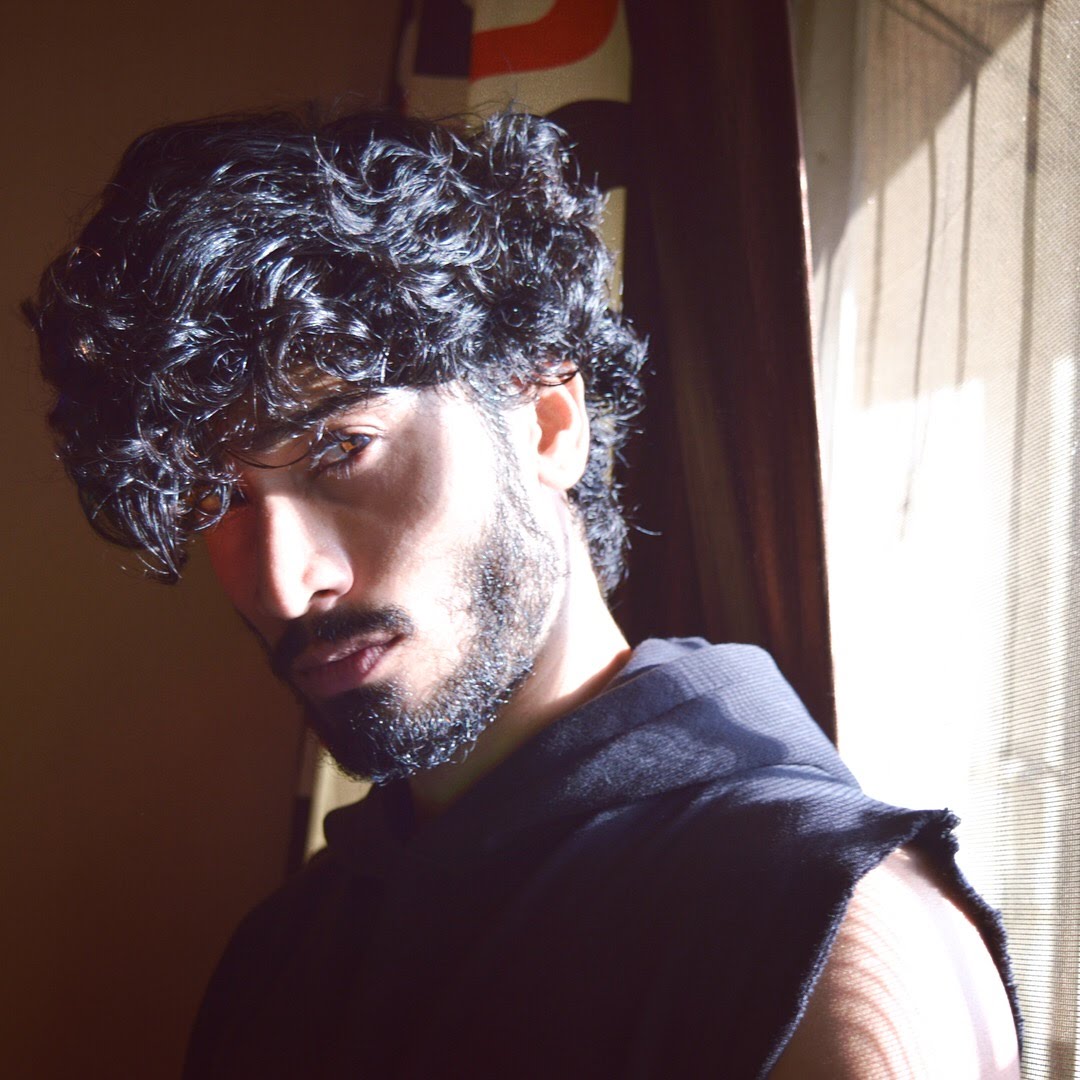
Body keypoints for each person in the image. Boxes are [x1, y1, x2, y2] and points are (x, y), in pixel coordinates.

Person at [27, 108, 1021, 1078]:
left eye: (343, 449)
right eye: (216, 497)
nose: (286, 584)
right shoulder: (281, 957)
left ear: (548, 423)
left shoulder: (836, 936)